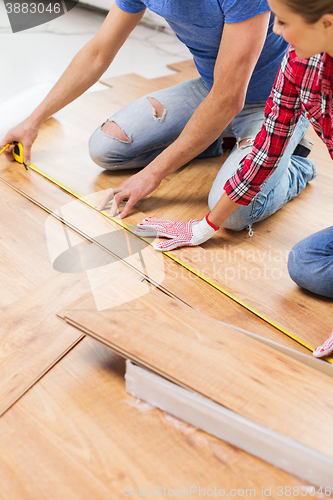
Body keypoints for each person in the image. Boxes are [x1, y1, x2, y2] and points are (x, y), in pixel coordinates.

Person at [1, 0, 314, 231]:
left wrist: (153, 174)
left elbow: (229, 98)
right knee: (105, 148)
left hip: (275, 101)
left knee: (234, 214)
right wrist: (33, 120)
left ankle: (295, 164)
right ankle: (219, 140)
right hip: (211, 88)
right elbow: (98, 52)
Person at [137, 0, 333, 357]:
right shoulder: (298, 63)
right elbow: (266, 148)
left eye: (284, 22)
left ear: (327, 24)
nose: (275, 30)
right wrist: (205, 225)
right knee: (306, 264)